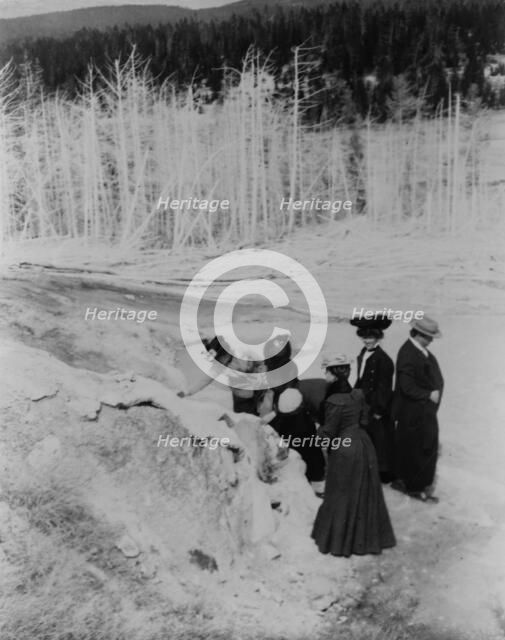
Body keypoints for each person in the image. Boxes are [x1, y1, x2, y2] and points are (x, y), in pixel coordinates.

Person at [311, 354, 396, 557]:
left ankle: (341, 541)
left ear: (333, 373)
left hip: (344, 449)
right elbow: (365, 419)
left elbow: (328, 433)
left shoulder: (333, 400)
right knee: (363, 493)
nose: (325, 375)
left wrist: (316, 432)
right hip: (364, 445)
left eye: (327, 371)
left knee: (341, 493)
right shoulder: (358, 394)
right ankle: (366, 538)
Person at [392, 317, 444, 502]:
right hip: (413, 412)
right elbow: (406, 386)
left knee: (422, 447)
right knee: (416, 449)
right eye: (429, 337)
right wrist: (428, 395)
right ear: (419, 334)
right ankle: (414, 488)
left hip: (422, 412)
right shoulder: (408, 353)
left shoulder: (420, 351)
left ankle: (416, 485)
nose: (431, 340)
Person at [351, 316, 395, 483]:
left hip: (377, 407)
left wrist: (378, 410)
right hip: (365, 403)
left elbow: (384, 388)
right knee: (367, 437)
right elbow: (361, 378)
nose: (367, 341)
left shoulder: (384, 360)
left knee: (380, 440)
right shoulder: (363, 354)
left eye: (370, 337)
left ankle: (382, 473)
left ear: (378, 337)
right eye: (364, 337)